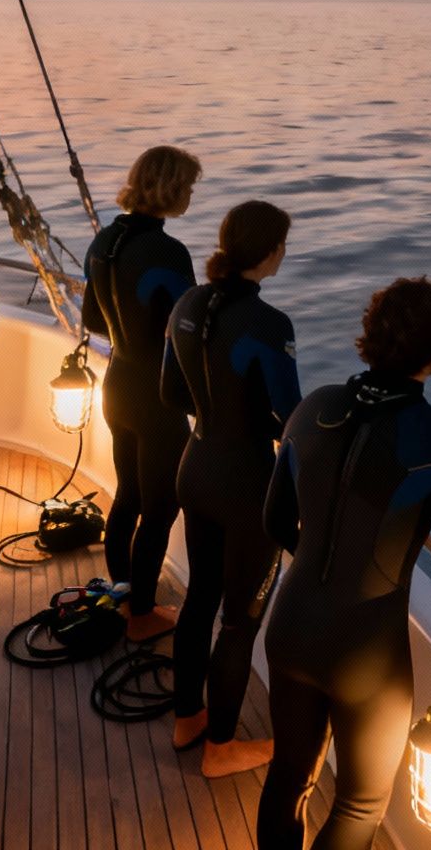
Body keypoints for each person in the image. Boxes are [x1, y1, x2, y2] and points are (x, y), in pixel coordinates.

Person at [257, 277, 431, 850]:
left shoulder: (312, 408)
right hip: (365, 651)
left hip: (291, 624)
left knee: (287, 780)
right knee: (359, 805)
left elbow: (276, 523)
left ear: (367, 338)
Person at [160, 200, 299, 778]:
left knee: (199, 598)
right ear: (269, 253)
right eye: (282, 245)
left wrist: (221, 420)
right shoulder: (270, 325)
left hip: (197, 467)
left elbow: (172, 393)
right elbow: (289, 415)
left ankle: (188, 717)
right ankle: (221, 747)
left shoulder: (187, 302)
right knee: (241, 620)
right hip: (247, 487)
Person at [82, 145, 201, 640]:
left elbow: (91, 318)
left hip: (118, 386)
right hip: (157, 396)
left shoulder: (105, 240)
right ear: (171, 189)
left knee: (128, 494)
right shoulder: (168, 253)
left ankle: (123, 594)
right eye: (188, 186)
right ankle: (142, 615)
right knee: (160, 507)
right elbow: (191, 330)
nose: (191, 194)